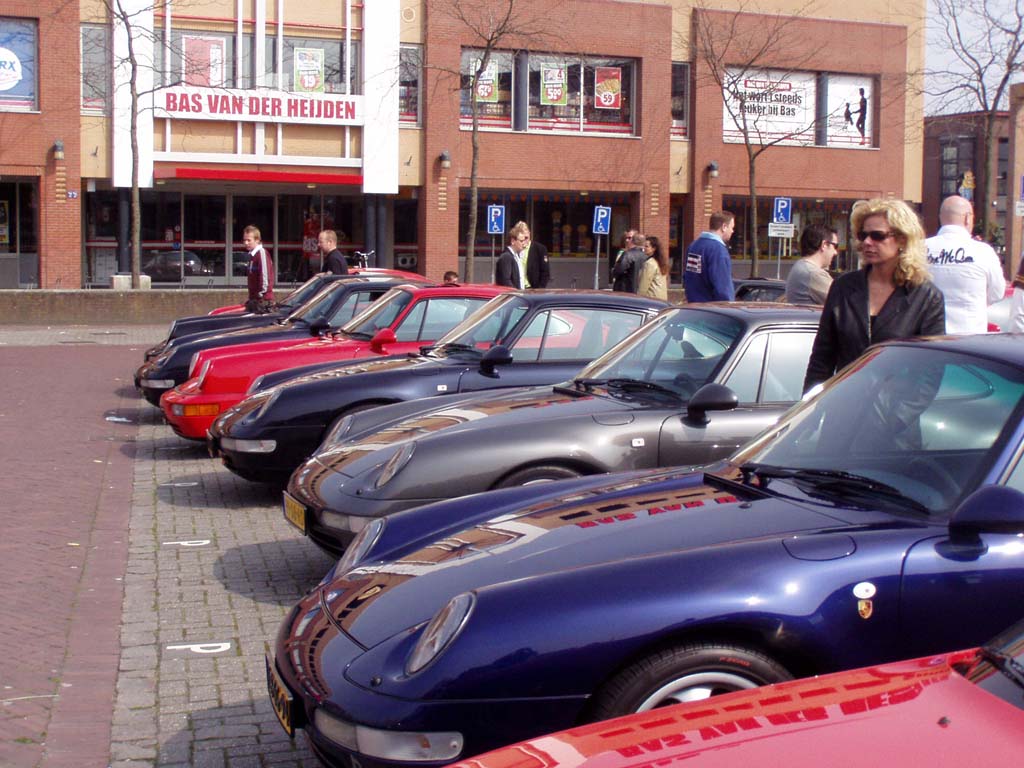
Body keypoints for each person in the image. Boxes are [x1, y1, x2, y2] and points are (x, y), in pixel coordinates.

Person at [803, 198, 946, 393]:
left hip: (896, 409)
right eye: (863, 235)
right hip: (843, 405)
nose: (867, 242)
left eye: (878, 236)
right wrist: (812, 405)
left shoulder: (926, 297)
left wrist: (898, 410)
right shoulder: (844, 287)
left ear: (902, 239)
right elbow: (821, 359)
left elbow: (930, 374)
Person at [925, 195, 1004, 334]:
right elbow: (997, 293)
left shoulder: (919, 249)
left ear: (940, 218)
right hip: (970, 336)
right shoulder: (983, 252)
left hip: (928, 337)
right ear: (967, 218)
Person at [683, 211, 735, 302]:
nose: (732, 231)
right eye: (732, 227)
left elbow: (689, 277)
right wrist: (728, 305)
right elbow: (723, 287)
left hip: (693, 304)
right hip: (712, 307)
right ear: (724, 227)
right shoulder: (718, 251)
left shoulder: (693, 246)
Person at [785, 224, 838, 305]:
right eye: (835, 246)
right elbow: (844, 304)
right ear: (824, 245)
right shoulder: (814, 274)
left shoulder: (800, 266)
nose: (835, 252)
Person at [496, 221, 550, 288]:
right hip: (516, 290)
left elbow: (545, 273)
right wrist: (515, 292)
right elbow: (506, 280)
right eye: (521, 240)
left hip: (532, 288)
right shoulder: (508, 255)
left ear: (529, 234)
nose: (524, 243)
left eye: (526, 238)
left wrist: (539, 290)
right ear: (513, 241)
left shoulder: (539, 249)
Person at [243, 225, 274, 313]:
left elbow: (265, 277)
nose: (246, 243)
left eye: (249, 240)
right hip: (254, 300)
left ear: (257, 240)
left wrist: (261, 297)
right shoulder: (252, 255)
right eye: (244, 240)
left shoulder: (261, 253)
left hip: (262, 302)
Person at [637, 234, 669, 300]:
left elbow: (644, 285)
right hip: (661, 298)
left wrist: (638, 299)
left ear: (653, 248)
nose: (644, 248)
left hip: (652, 298)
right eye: (644, 246)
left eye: (646, 246)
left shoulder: (649, 263)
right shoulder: (660, 262)